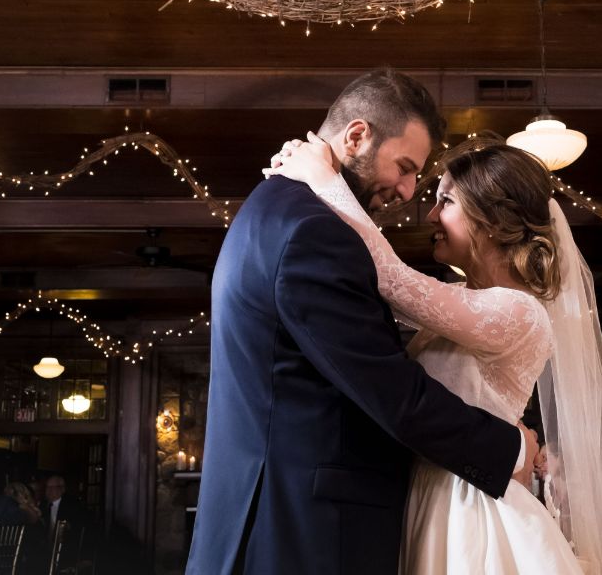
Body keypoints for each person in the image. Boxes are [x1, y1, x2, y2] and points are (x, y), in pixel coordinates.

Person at [186, 70, 530, 575]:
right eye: (405, 167)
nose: (410, 192)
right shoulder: (314, 233)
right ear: (356, 136)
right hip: (301, 534)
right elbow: (390, 390)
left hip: (274, 519)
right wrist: (512, 448)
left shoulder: (276, 208)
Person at [269, 133, 602, 574]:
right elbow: (377, 293)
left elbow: (389, 276)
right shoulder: (458, 299)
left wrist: (323, 178)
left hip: (473, 509)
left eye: (445, 201)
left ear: (489, 220)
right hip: (425, 492)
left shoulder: (518, 312)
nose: (429, 213)